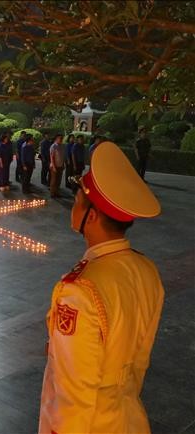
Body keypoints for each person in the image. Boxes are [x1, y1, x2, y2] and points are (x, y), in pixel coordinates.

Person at [39, 141, 164, 434]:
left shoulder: (80, 290)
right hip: (127, 415)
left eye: (78, 199)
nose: (74, 205)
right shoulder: (146, 270)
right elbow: (140, 361)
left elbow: (75, 391)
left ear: (91, 216)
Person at [49, 134, 65, 198]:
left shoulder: (62, 146)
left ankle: (57, 192)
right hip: (54, 166)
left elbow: (62, 156)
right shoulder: (53, 146)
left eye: (61, 138)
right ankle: (52, 193)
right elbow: (52, 157)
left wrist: (63, 164)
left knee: (58, 180)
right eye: (59, 138)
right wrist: (54, 166)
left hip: (60, 165)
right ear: (56, 139)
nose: (61, 139)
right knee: (54, 180)